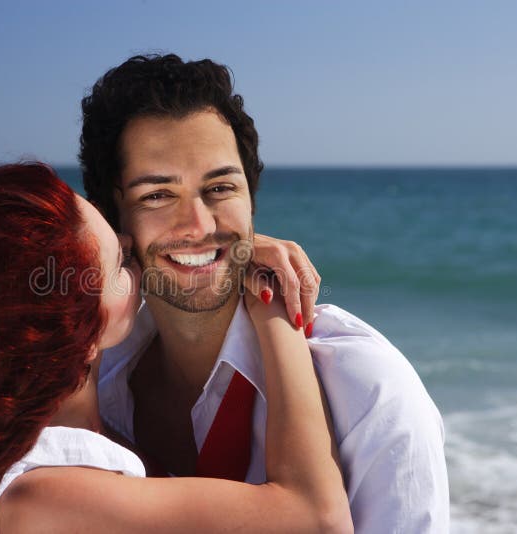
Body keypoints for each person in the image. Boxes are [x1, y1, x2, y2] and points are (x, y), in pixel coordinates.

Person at [0, 162, 352, 533]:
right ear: (71, 330)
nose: (140, 267)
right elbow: (317, 518)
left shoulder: (8, 460)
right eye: (121, 264)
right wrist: (272, 307)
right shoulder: (42, 495)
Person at [80, 54, 450, 532]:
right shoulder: (95, 381)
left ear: (251, 200)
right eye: (157, 195)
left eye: (220, 188)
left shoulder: (366, 391)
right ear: (113, 220)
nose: (199, 226)